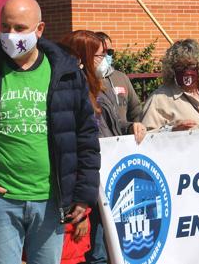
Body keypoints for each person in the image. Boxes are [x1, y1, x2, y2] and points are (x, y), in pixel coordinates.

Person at [0, 0, 100, 264]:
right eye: (5, 27)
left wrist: (84, 194)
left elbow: (85, 135)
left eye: (19, 28)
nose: (10, 35)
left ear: (39, 30)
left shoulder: (64, 72)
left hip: (51, 200)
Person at [60, 30, 147, 264]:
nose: (104, 60)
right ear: (83, 56)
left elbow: (113, 123)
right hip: (89, 185)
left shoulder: (98, 86)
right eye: (100, 55)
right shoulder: (69, 92)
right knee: (95, 252)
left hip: (107, 178)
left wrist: (130, 127)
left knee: (106, 248)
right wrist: (82, 205)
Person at [94, 32, 143, 127]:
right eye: (102, 52)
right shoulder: (83, 80)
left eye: (109, 52)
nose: (106, 56)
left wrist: (135, 128)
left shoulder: (121, 78)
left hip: (122, 138)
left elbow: (135, 110)